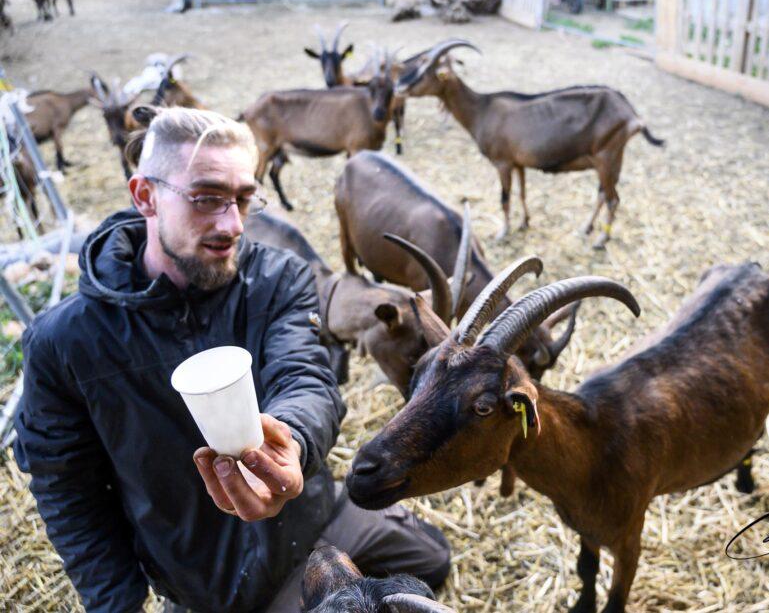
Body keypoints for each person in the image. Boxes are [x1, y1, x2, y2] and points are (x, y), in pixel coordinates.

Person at [14, 108, 450, 613]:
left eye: (245, 199)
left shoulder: (278, 278)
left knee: (430, 561)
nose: (233, 224)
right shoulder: (63, 342)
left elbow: (305, 377)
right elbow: (68, 491)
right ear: (145, 196)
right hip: (213, 578)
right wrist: (118, 603)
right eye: (207, 199)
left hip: (311, 515)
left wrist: (292, 442)